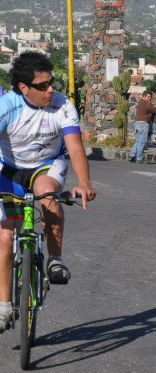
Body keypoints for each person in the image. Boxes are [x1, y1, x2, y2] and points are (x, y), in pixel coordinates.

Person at [0, 51, 96, 331]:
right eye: (42, 86)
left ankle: (55, 259)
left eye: (52, 83)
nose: (50, 89)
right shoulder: (7, 106)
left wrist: (85, 182)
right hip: (10, 168)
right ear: (23, 88)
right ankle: (4, 306)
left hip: (47, 164)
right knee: (6, 235)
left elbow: (76, 147)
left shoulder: (62, 105)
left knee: (47, 194)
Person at [129, 90, 156, 164]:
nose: (149, 98)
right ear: (144, 96)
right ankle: (139, 159)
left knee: (138, 141)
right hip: (143, 124)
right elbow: (154, 110)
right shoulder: (147, 104)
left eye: (150, 97)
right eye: (148, 96)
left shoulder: (140, 102)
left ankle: (132, 155)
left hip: (137, 123)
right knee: (142, 142)